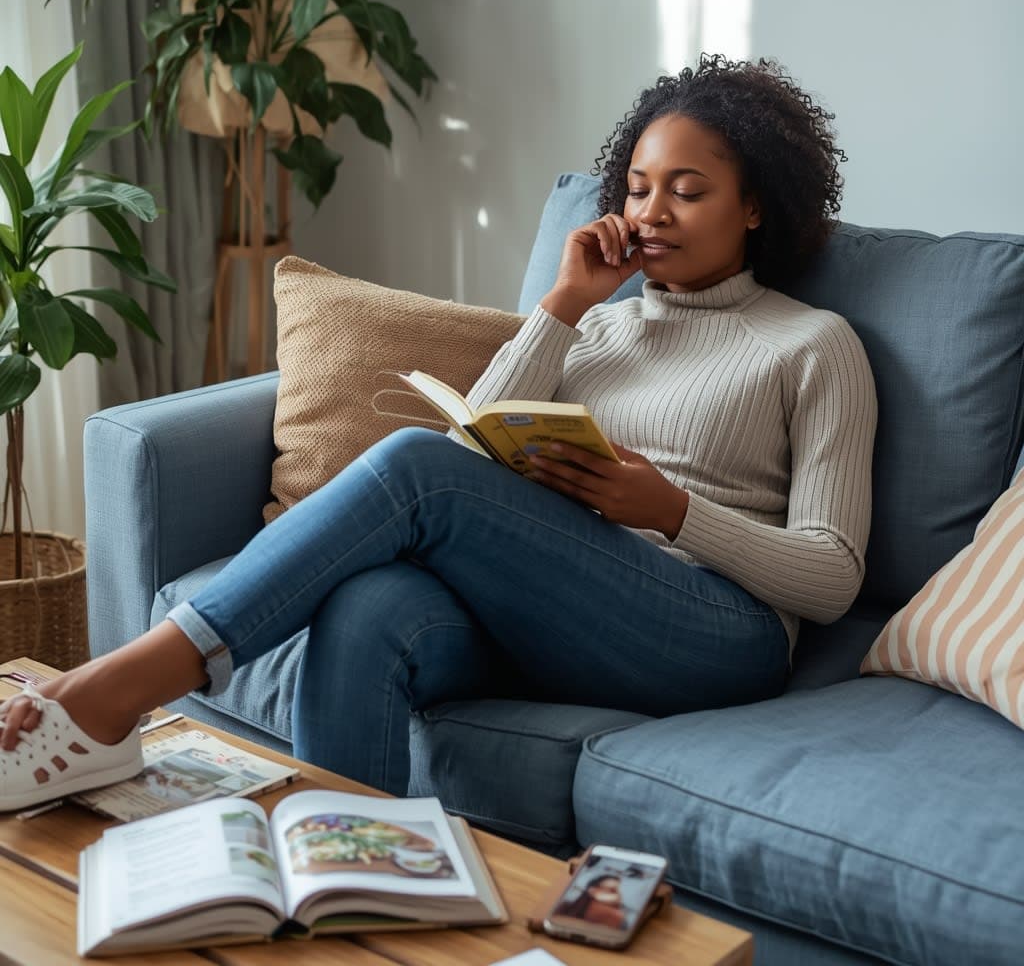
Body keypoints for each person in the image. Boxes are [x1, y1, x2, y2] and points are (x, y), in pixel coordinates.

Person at [0, 54, 877, 812]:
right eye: (639, 189)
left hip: (718, 633)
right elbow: (471, 458)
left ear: (755, 206)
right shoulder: (598, 325)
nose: (652, 213)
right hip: (564, 610)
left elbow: (833, 577)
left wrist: (673, 509)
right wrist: (565, 304)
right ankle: (348, 871)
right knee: (370, 605)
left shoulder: (813, 345)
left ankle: (125, 684)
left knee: (415, 464)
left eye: (688, 192)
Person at [555, 874, 628, 929]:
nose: (618, 896)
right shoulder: (564, 907)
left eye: (619, 892)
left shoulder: (620, 919)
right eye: (612, 890)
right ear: (593, 891)